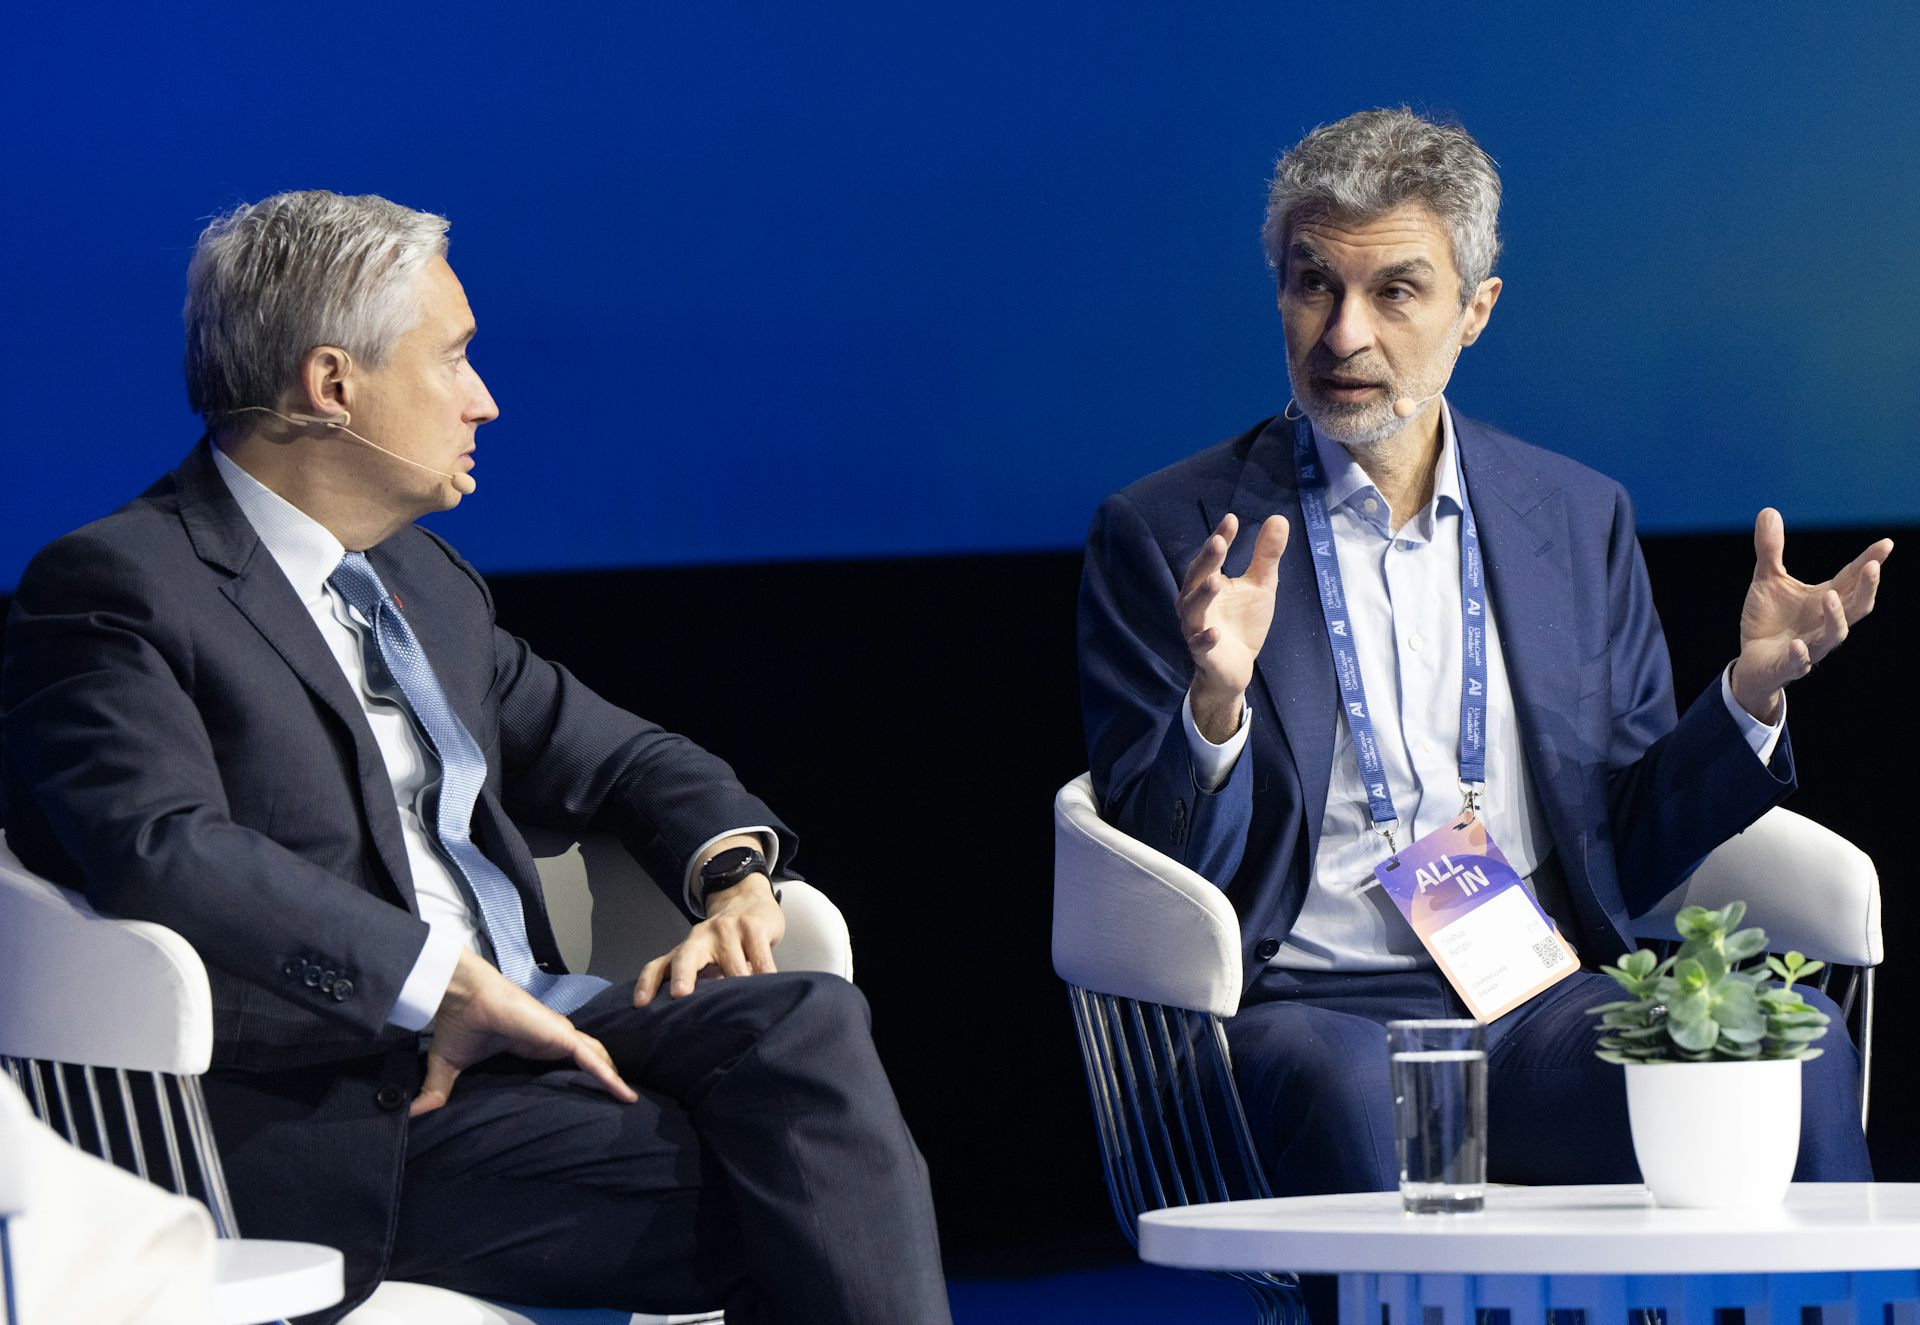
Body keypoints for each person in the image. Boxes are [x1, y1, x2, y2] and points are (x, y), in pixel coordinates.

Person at [0, 190, 951, 1325]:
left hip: (542, 1027)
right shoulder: (115, 586)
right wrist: (439, 980)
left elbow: (627, 755)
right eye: (453, 358)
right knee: (815, 1187)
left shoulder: (428, 585)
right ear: (332, 385)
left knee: (805, 1019)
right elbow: (162, 850)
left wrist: (731, 870)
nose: (484, 400)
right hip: (348, 1103)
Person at [1078, 109, 1891, 1205]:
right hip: (1314, 1014)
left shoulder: (1574, 515)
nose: (1344, 334)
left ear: (1475, 311)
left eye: (1396, 291)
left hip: (1538, 1005)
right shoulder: (1175, 532)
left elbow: (1631, 845)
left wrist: (1745, 697)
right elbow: (1159, 867)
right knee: (1348, 1084)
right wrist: (1215, 709)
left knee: (1791, 1042)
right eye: (1315, 285)